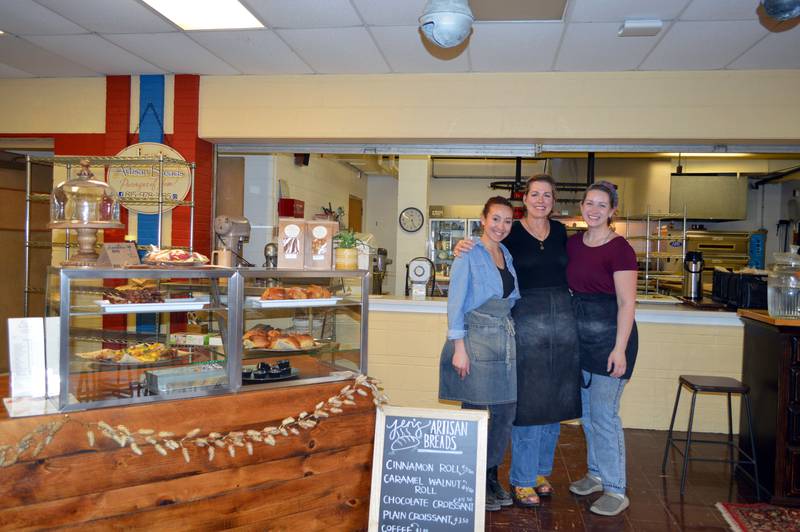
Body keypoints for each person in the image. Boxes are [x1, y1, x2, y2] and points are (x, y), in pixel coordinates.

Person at [454, 175, 582, 508]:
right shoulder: (511, 234)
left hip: (561, 323)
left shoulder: (559, 232)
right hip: (524, 322)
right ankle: (520, 478)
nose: (541, 200)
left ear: (554, 200)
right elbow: (486, 249)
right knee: (527, 402)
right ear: (524, 199)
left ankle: (540, 472)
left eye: (548, 195)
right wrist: (462, 244)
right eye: (535, 194)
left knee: (555, 402)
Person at [439, 196, 520, 513]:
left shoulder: (506, 253)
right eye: (496, 219)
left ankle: (490, 475)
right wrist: (459, 348)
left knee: (505, 412)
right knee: (475, 410)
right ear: (483, 219)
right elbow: (455, 303)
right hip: (475, 337)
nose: (501, 226)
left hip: (503, 337)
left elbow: (509, 297)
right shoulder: (468, 253)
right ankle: (469, 479)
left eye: (507, 221)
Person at [566, 180, 638, 517]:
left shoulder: (620, 248)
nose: (593, 210)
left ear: (612, 212)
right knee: (588, 417)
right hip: (581, 341)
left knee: (605, 416)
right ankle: (595, 474)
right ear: (581, 207)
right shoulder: (572, 245)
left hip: (612, 341)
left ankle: (615, 488)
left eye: (601, 205)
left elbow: (626, 304)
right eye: (588, 203)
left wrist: (619, 349)